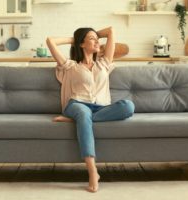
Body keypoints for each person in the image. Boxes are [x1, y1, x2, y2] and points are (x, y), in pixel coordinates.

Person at [46, 27, 135, 193]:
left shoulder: (104, 63)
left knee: (128, 106)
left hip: (101, 106)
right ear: (81, 44)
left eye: (97, 39)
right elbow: (50, 40)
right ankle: (93, 171)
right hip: (77, 104)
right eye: (92, 39)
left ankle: (80, 120)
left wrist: (93, 36)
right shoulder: (70, 65)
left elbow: (110, 30)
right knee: (83, 112)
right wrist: (74, 38)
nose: (97, 41)